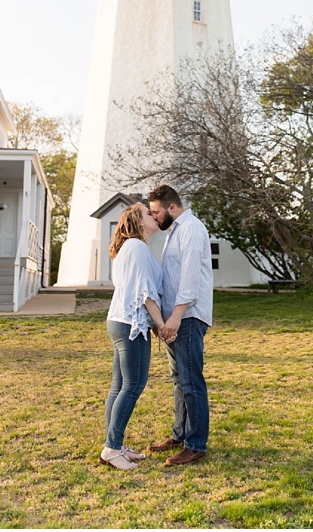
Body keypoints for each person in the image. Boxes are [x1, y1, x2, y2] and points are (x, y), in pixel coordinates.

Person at [146, 184, 214, 466]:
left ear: (171, 208)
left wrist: (174, 317)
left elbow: (189, 279)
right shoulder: (174, 230)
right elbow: (169, 277)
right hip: (173, 318)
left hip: (187, 316)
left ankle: (196, 444)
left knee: (190, 380)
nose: (155, 218)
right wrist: (159, 317)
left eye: (156, 212)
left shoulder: (192, 229)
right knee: (178, 380)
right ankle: (181, 435)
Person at [100, 202, 164, 470]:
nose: (155, 215)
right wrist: (161, 324)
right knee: (133, 385)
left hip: (119, 320)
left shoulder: (129, 248)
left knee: (119, 386)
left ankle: (114, 444)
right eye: (149, 213)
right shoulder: (136, 247)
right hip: (130, 325)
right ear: (137, 221)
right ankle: (112, 449)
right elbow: (145, 292)